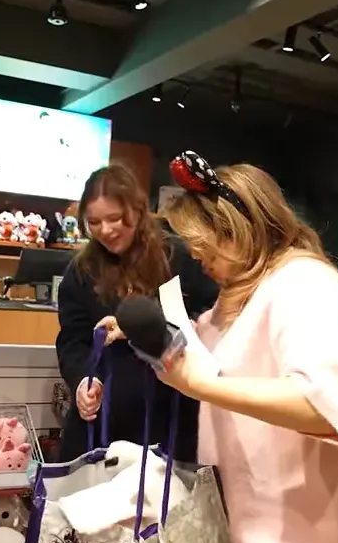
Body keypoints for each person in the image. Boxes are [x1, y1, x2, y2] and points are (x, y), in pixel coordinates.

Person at [114, 150, 338, 543]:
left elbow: (323, 406)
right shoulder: (245, 293)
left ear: (239, 230)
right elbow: (209, 343)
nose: (196, 255)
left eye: (205, 243)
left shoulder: (305, 286)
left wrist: (201, 386)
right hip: (259, 540)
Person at [54, 163, 217, 463]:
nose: (106, 230)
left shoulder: (177, 257)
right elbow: (72, 341)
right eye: (94, 222)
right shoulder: (81, 271)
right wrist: (81, 382)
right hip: (104, 419)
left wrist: (143, 327)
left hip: (169, 413)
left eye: (115, 218)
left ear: (138, 210)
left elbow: (208, 319)